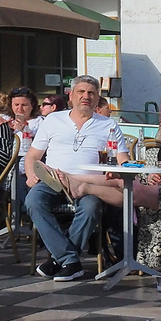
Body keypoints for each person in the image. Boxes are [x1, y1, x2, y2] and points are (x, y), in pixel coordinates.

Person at [59, 85, 161, 280]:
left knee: (132, 189)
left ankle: (84, 187)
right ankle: (72, 177)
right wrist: (157, 176)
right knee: (125, 179)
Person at [23, 76, 124, 282]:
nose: (86, 96)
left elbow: (123, 161)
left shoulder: (109, 125)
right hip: (53, 180)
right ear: (71, 95)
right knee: (33, 201)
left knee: (91, 208)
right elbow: (32, 155)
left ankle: (60, 260)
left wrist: (120, 169)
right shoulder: (53, 120)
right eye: (81, 92)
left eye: (91, 93)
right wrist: (31, 173)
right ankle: (69, 259)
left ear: (97, 99)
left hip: (89, 184)